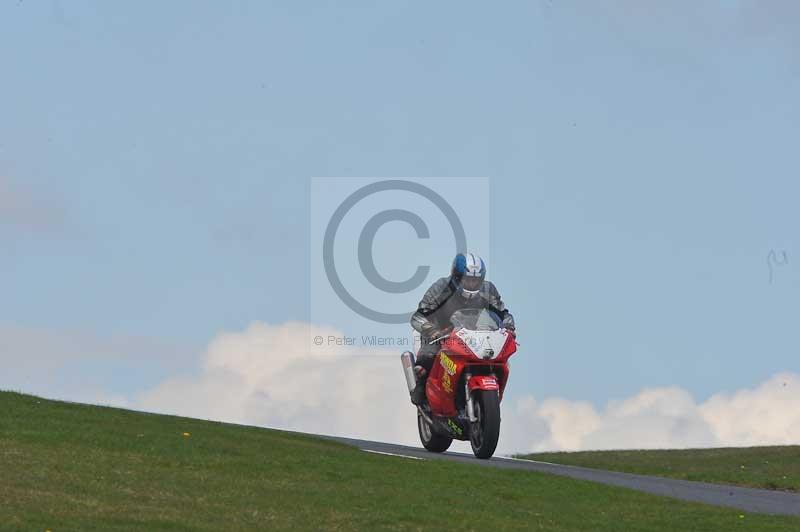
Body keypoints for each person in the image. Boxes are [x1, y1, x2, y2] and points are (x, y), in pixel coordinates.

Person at [408, 252, 515, 405]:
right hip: (440, 334)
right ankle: (421, 388)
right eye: (467, 279)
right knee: (428, 358)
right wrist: (432, 331)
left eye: (475, 280)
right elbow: (418, 316)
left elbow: (503, 314)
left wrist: (509, 327)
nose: (472, 284)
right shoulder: (441, 288)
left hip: (472, 335)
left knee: (496, 357)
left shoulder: (488, 290)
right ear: (456, 277)